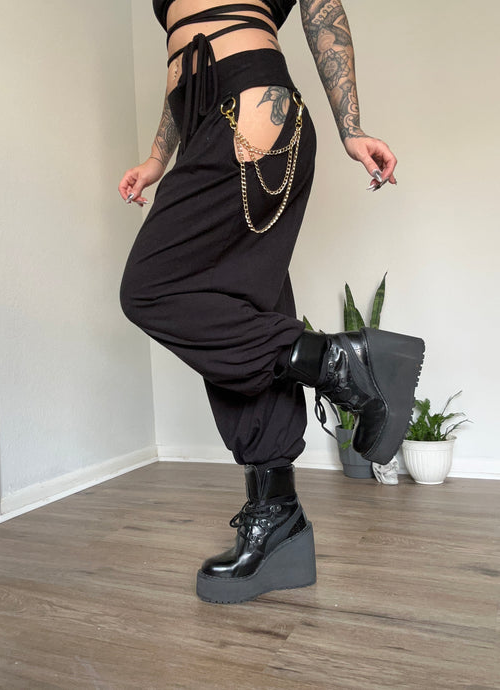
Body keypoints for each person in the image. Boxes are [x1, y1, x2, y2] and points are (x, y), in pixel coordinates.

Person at [118, 0, 424, 604]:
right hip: (208, 114)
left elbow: (321, 9)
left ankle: (340, 362)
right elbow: (186, 52)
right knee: (243, 313)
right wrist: (158, 157)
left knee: (152, 288)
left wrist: (352, 127)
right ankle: (277, 520)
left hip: (251, 103)